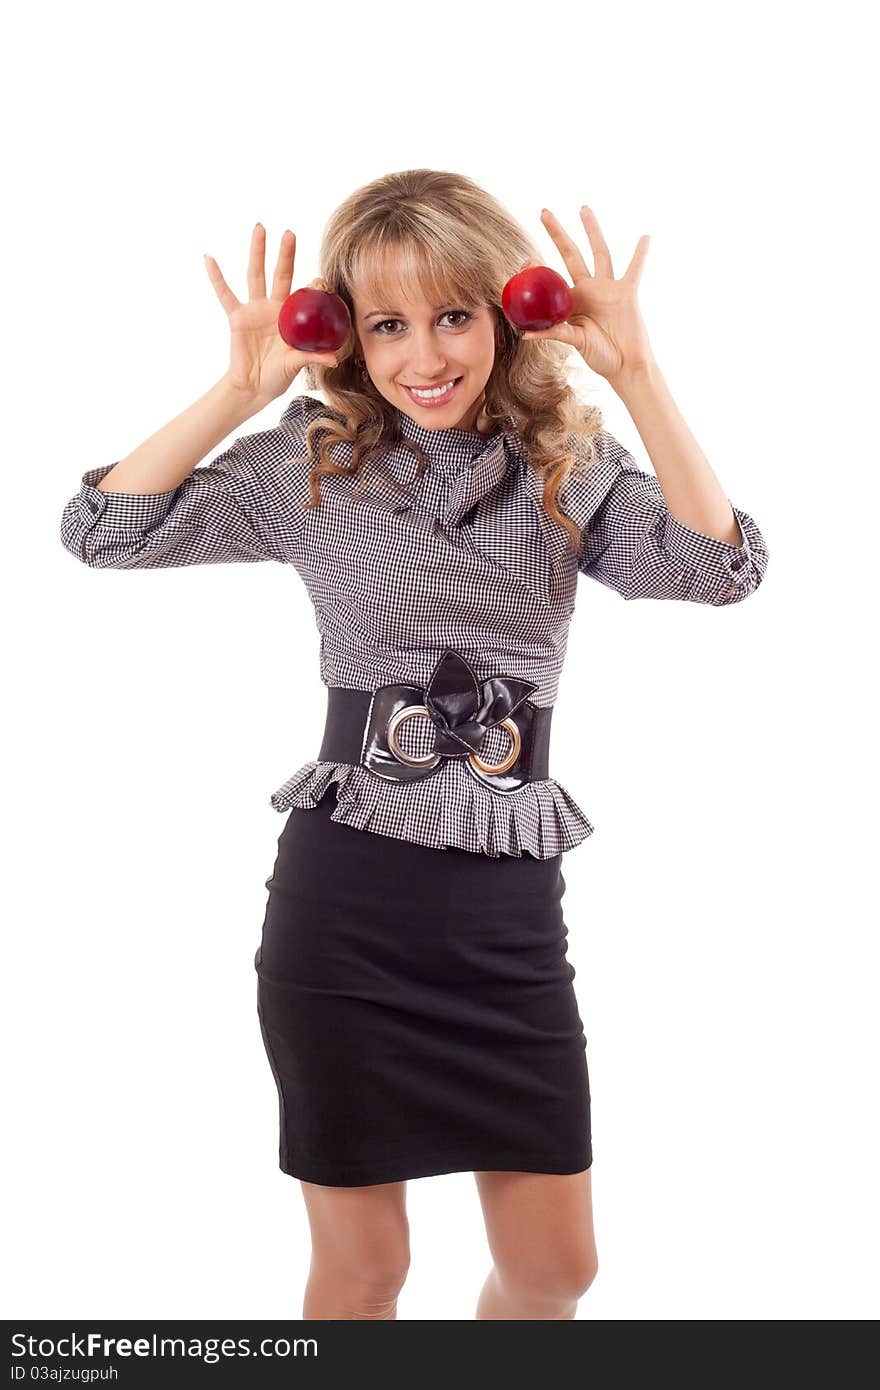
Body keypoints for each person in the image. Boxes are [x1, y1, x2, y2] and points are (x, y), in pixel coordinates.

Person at [59, 169, 770, 1320]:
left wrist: (637, 376)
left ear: (506, 313)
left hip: (506, 908)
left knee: (555, 1269)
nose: (422, 355)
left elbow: (715, 568)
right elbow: (103, 530)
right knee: (365, 1270)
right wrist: (234, 390)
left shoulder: (566, 473)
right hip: (347, 908)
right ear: (345, 334)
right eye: (385, 323)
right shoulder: (308, 467)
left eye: (451, 315)